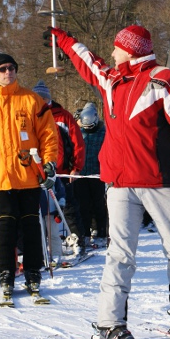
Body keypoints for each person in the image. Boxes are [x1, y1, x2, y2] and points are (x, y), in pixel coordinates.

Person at [48, 24, 170, 339]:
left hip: (160, 181)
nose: (112, 52)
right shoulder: (111, 79)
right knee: (120, 255)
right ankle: (110, 324)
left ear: (131, 49)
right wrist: (61, 39)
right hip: (119, 183)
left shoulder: (163, 79)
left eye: (117, 47)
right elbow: (86, 59)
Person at [0, 53, 59, 294]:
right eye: (3, 69)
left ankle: (33, 271)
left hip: (29, 176)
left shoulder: (32, 100)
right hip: (0, 177)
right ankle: (6, 272)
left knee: (30, 227)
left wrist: (49, 163)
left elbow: (49, 135)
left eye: (12, 68)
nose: (9, 72)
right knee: (4, 230)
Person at [33, 80, 88, 256]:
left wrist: (76, 167)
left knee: (69, 208)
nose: (40, 100)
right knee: (41, 210)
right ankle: (40, 247)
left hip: (62, 170)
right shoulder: (30, 115)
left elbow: (77, 142)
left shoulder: (62, 116)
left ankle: (78, 242)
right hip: (39, 172)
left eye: (42, 97)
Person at [76, 103, 108, 248]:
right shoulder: (78, 132)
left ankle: (101, 233)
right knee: (83, 206)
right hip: (81, 174)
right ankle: (86, 234)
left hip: (97, 174)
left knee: (99, 205)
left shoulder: (104, 132)